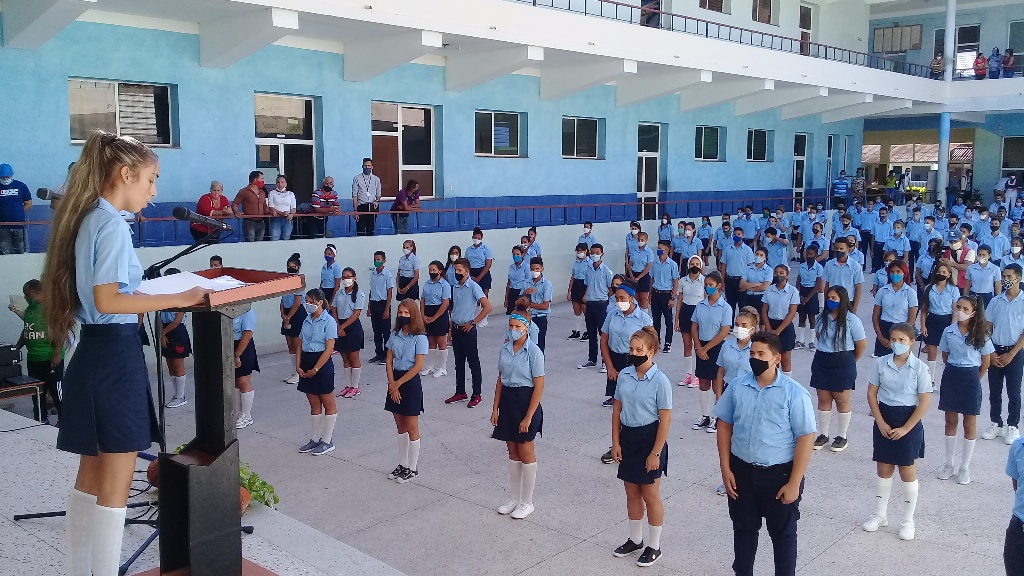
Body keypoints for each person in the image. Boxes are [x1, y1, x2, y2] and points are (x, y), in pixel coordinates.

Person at [42, 132, 210, 576]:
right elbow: (109, 299)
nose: (154, 193)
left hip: (93, 357)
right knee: (115, 488)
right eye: (152, 180)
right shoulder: (112, 223)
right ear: (125, 174)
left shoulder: (89, 217)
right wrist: (182, 298)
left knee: (90, 480)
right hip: (114, 359)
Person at [715, 331, 815, 576]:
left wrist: (794, 483)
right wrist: (726, 468)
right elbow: (724, 424)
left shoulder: (794, 393)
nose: (755, 358)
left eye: (761, 354)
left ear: (777, 358)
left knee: (783, 535)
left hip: (778, 475)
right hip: (742, 472)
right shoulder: (738, 385)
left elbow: (806, 438)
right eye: (752, 353)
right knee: (744, 530)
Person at [863, 322, 932, 541]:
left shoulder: (920, 368)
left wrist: (905, 429)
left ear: (911, 342)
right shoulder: (882, 363)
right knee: (883, 468)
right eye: (893, 339)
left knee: (907, 471)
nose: (897, 344)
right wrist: (880, 422)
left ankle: (907, 521)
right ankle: (880, 514)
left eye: (902, 340)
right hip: (885, 417)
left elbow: (924, 401)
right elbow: (872, 393)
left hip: (908, 421)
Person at [610, 326, 671, 568]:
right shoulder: (625, 375)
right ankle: (635, 539)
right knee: (631, 492)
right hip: (628, 438)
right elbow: (617, 410)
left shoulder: (661, 381)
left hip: (650, 439)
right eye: (631, 349)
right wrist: (615, 442)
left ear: (652, 352)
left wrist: (656, 452)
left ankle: (654, 546)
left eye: (639, 349)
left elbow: (665, 418)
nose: (634, 353)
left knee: (650, 494)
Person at [491, 309, 545, 519]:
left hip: (525, 401)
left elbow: (539, 386)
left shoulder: (534, 352)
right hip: (508, 401)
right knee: (512, 451)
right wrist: (495, 408)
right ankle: (514, 498)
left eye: (517, 327)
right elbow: (500, 379)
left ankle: (527, 501)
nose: (513, 330)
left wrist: (529, 416)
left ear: (527, 328)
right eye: (511, 326)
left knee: (526, 451)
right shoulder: (505, 349)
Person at [937, 295, 994, 485]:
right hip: (952, 374)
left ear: (973, 313)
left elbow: (985, 361)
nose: (960, 311)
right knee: (950, 421)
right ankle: (949, 463)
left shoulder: (981, 334)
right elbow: (945, 355)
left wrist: (975, 377)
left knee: (969, 424)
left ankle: (964, 467)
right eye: (958, 307)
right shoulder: (949, 331)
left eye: (965, 309)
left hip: (970, 376)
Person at [810, 286, 868, 453]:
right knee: (823, 399)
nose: (831, 301)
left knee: (842, 400)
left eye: (835, 298)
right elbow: (819, 335)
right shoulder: (822, 317)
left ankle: (842, 436)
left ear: (842, 300)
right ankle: (823, 434)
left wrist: (850, 361)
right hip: (822, 359)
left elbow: (861, 344)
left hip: (843, 360)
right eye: (829, 297)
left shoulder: (852, 320)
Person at [385, 300, 428, 483]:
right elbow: (389, 360)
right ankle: (402, 464)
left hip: (409, 382)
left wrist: (397, 384)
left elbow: (418, 366)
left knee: (411, 427)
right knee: (400, 426)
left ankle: (412, 467)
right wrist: (391, 383)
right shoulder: (394, 334)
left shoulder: (420, 337)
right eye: (400, 312)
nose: (402, 316)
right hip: (395, 379)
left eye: (406, 313)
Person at [981, 264, 1024, 446]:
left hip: (1015, 350)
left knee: (1014, 392)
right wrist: (990, 352)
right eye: (1004, 275)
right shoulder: (996, 301)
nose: (1006, 279)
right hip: (995, 349)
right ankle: (995, 423)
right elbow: (988, 327)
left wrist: (1012, 353)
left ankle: (1012, 425)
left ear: (1018, 278)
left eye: (1009, 276)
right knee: (994, 390)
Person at [296, 289, 339, 456]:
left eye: (310, 301)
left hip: (321, 363)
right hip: (306, 360)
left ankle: (327, 441)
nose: (307, 305)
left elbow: (329, 349)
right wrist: (298, 364)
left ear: (320, 302)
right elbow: (300, 343)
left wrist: (315, 369)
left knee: (328, 402)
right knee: (314, 403)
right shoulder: (306, 320)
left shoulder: (329, 321)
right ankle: (314, 439)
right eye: (306, 301)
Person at [446, 257, 492, 408]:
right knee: (458, 362)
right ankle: (460, 391)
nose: (457, 273)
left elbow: (487, 307)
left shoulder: (473, 286)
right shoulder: (455, 287)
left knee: (473, 363)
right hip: (457, 328)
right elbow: (455, 309)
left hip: (468, 330)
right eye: (455, 270)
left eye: (459, 270)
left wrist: (473, 322)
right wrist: (451, 329)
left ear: (467, 271)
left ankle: (476, 394)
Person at [15, 279, 64, 422]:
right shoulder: (30, 310)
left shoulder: (50, 308)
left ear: (37, 293)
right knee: (37, 394)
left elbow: (60, 332)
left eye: (27, 294)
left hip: (50, 359)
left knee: (57, 393)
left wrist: (57, 354)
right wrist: (16, 348)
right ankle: (41, 421)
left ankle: (65, 421)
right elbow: (27, 330)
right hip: (33, 360)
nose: (25, 298)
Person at [601, 282, 654, 411]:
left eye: (622, 298)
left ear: (631, 298)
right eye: (617, 298)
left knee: (632, 397)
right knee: (617, 396)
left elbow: (652, 344)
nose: (619, 302)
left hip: (633, 359)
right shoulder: (612, 314)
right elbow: (603, 340)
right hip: (614, 356)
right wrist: (610, 367)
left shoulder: (643, 319)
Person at [691, 272, 732, 432]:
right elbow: (694, 326)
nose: (707, 287)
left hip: (716, 347)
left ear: (718, 286)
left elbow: (724, 331)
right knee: (703, 382)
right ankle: (705, 416)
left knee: (717, 383)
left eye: (710, 284)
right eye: (706, 284)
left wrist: (706, 349)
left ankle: (717, 417)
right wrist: (698, 346)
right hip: (701, 345)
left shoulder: (725, 307)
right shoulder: (700, 305)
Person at [158, 268, 193, 409]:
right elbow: (160, 316)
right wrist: (162, 333)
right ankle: (175, 394)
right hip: (165, 330)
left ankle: (181, 395)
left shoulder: (182, 297)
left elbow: (177, 320)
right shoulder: (164, 296)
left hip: (176, 331)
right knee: (170, 364)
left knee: (178, 364)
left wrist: (163, 333)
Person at [919, 262, 958, 380]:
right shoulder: (929, 288)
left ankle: (950, 378)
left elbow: (955, 310)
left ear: (949, 274)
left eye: (944, 272)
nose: (941, 274)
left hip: (947, 320)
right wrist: (923, 325)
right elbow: (924, 309)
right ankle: (930, 379)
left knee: (949, 352)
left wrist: (953, 326)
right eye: (939, 272)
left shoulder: (953, 290)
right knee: (931, 352)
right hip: (932, 320)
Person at [873, 261, 918, 358]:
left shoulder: (910, 293)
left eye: (898, 271)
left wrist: (900, 337)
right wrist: (880, 337)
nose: (895, 274)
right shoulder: (883, 291)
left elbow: (911, 319)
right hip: (884, 329)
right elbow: (875, 316)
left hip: (901, 330)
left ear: (904, 273)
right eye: (892, 272)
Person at [332, 267, 366, 399]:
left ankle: (355, 387)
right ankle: (348, 385)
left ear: (354, 278)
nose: (346, 279)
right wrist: (338, 325)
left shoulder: (359, 294)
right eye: (344, 277)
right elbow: (333, 308)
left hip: (352, 327)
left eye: (348, 276)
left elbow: (356, 314)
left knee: (354, 357)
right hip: (340, 325)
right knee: (345, 357)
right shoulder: (339, 293)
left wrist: (343, 327)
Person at [580, 243, 614, 369]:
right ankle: (592, 359)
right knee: (591, 332)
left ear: (602, 254)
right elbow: (588, 285)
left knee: (603, 334)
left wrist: (607, 302)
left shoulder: (606, 271)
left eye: (597, 253)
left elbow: (611, 289)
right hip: (590, 304)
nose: (594, 255)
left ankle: (606, 361)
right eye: (592, 252)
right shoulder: (588, 269)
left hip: (601, 304)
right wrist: (585, 296)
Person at [762, 265, 799, 373]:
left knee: (785, 359)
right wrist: (769, 329)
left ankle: (787, 384)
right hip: (771, 324)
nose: (778, 275)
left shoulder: (793, 291)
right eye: (776, 273)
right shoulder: (769, 289)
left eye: (781, 273)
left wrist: (778, 331)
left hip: (785, 326)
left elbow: (792, 313)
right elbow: (764, 310)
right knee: (772, 358)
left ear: (787, 276)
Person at [676, 255, 706, 387]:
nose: (695, 266)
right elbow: (680, 300)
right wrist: (676, 318)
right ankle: (688, 374)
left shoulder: (705, 281)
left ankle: (699, 376)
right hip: (685, 312)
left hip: (698, 313)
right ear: (688, 265)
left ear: (701, 266)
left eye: (697, 264)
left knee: (697, 345)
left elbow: (706, 299)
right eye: (692, 263)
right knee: (687, 344)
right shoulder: (683, 281)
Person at [419, 260, 452, 378]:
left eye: (434, 270)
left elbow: (445, 303)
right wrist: (422, 314)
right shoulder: (427, 283)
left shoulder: (445, 285)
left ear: (440, 271)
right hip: (428, 312)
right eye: (430, 270)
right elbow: (422, 299)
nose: (431, 272)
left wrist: (434, 318)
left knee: (441, 341)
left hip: (439, 314)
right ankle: (430, 366)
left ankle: (442, 368)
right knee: (431, 340)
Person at [281, 254, 307, 386]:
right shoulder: (285, 281)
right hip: (287, 314)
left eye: (293, 267)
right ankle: (293, 371)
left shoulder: (299, 281)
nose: (291, 269)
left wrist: (289, 317)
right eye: (289, 267)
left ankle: (299, 372)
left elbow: (297, 303)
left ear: (298, 267)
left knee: (297, 346)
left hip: (296, 314)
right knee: (290, 345)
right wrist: (283, 315)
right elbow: (282, 300)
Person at [650, 240, 679, 353]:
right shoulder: (655, 263)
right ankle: (657, 341)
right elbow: (652, 279)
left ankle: (668, 343)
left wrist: (673, 298)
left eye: (661, 248)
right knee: (656, 321)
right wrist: (650, 293)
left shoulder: (672, 264)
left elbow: (675, 281)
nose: (658, 250)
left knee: (668, 320)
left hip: (666, 294)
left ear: (666, 250)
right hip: (656, 293)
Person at [233, 307, 260, 428]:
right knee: (234, 381)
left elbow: (247, 335)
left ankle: (246, 415)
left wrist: (237, 354)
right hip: (229, 344)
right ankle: (238, 413)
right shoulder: (227, 310)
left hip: (243, 347)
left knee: (243, 381)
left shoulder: (247, 312)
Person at [823, 238, 864, 313]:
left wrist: (854, 308)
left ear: (847, 249)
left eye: (841, 248)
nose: (838, 251)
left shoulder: (855, 266)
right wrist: (825, 303)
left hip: (848, 301)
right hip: (832, 300)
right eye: (836, 248)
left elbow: (858, 288)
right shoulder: (829, 264)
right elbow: (826, 286)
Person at [795, 245, 825, 350]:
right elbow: (798, 280)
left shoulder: (819, 268)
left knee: (812, 318)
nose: (808, 256)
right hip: (802, 291)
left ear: (816, 255)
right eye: (807, 254)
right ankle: (800, 340)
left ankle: (811, 342)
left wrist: (808, 297)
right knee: (801, 317)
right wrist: (799, 294)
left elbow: (818, 284)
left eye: (811, 254)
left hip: (812, 292)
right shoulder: (801, 266)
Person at [368, 251, 395, 365]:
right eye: (375, 259)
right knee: (376, 331)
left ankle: (387, 355)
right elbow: (371, 291)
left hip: (383, 304)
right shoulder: (373, 274)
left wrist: (386, 309)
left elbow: (389, 292)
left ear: (384, 260)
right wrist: (369, 307)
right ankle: (379, 354)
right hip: (374, 304)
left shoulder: (388, 275)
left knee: (385, 332)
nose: (376, 261)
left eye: (379, 259)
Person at [721, 228, 755, 316]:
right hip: (729, 280)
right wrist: (722, 281)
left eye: (739, 234)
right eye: (735, 234)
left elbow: (750, 267)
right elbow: (723, 265)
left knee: (742, 305)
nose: (737, 236)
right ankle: (730, 325)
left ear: (743, 236)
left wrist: (748, 282)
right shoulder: (727, 249)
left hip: (742, 281)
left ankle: (741, 326)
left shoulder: (748, 250)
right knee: (730, 305)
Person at [0, 162, 32, 254]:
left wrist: (18, 213)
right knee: (4, 253)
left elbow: (28, 203)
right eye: (2, 177)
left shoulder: (21, 186)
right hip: (2, 228)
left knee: (21, 251)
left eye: (7, 177)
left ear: (12, 175)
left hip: (19, 226)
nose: (5, 179)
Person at [466, 227, 494, 327]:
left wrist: (480, 277)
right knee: (474, 296)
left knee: (484, 295)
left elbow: (488, 264)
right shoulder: (469, 249)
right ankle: (475, 316)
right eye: (474, 237)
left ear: (481, 238)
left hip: (483, 272)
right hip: (472, 272)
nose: (476, 239)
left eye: (478, 237)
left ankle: (484, 318)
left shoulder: (486, 249)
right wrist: (470, 275)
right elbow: (466, 263)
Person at [524, 257, 553, 352]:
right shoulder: (526, 283)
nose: (534, 271)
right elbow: (519, 301)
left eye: (537, 269)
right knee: (526, 345)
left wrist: (530, 304)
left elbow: (545, 306)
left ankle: (539, 366)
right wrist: (525, 293)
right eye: (532, 269)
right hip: (527, 318)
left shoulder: (547, 284)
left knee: (539, 346)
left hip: (540, 317)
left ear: (542, 269)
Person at [232, 170, 267, 242]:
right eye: (262, 179)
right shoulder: (244, 191)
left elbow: (265, 206)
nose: (263, 181)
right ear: (255, 180)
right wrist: (236, 212)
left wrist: (273, 211)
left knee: (260, 245)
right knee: (250, 245)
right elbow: (235, 203)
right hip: (249, 222)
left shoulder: (262, 192)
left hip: (261, 222)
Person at [353, 157, 382, 236]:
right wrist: (355, 210)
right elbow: (355, 195)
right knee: (361, 229)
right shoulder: (357, 178)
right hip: (361, 205)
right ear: (362, 166)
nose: (367, 167)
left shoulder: (376, 179)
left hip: (373, 206)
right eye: (365, 166)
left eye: (369, 166)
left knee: (371, 229)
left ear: (372, 167)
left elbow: (378, 194)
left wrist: (377, 201)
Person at [567, 243, 591, 340]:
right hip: (576, 285)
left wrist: (586, 294)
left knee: (586, 311)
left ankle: (589, 331)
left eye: (582, 250)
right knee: (576, 310)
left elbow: (590, 279)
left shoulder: (590, 263)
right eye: (578, 251)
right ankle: (576, 331)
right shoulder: (575, 262)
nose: (580, 253)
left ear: (586, 251)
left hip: (584, 286)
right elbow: (573, 277)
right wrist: (569, 291)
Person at [627, 231, 655, 313]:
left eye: (642, 240)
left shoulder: (649, 252)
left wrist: (639, 277)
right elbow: (630, 264)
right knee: (635, 297)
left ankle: (645, 316)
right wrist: (632, 276)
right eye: (639, 239)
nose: (640, 241)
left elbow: (648, 266)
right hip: (633, 274)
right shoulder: (634, 251)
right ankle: (636, 314)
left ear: (646, 240)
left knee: (643, 298)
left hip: (644, 276)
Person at [740, 247, 772, 314]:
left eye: (761, 255)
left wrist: (748, 287)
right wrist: (757, 284)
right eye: (757, 254)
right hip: (748, 297)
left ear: (765, 258)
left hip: (762, 298)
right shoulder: (748, 268)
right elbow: (742, 285)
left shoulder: (769, 270)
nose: (758, 256)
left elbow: (764, 287)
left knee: (762, 322)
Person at [267, 174, 296, 241]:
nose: (280, 184)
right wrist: (282, 213)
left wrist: (291, 214)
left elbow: (293, 207)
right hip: (276, 219)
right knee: (274, 238)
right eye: (278, 182)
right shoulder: (272, 193)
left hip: (287, 219)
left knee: (286, 238)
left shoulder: (290, 194)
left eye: (282, 182)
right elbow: (271, 206)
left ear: (286, 184)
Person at [506, 245, 530, 315]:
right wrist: (506, 298)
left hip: (521, 293)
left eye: (517, 254)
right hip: (512, 292)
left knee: (521, 314)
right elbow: (509, 283)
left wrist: (525, 296)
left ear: (522, 254)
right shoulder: (511, 267)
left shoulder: (526, 267)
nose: (515, 256)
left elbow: (529, 282)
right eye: (513, 254)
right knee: (512, 314)